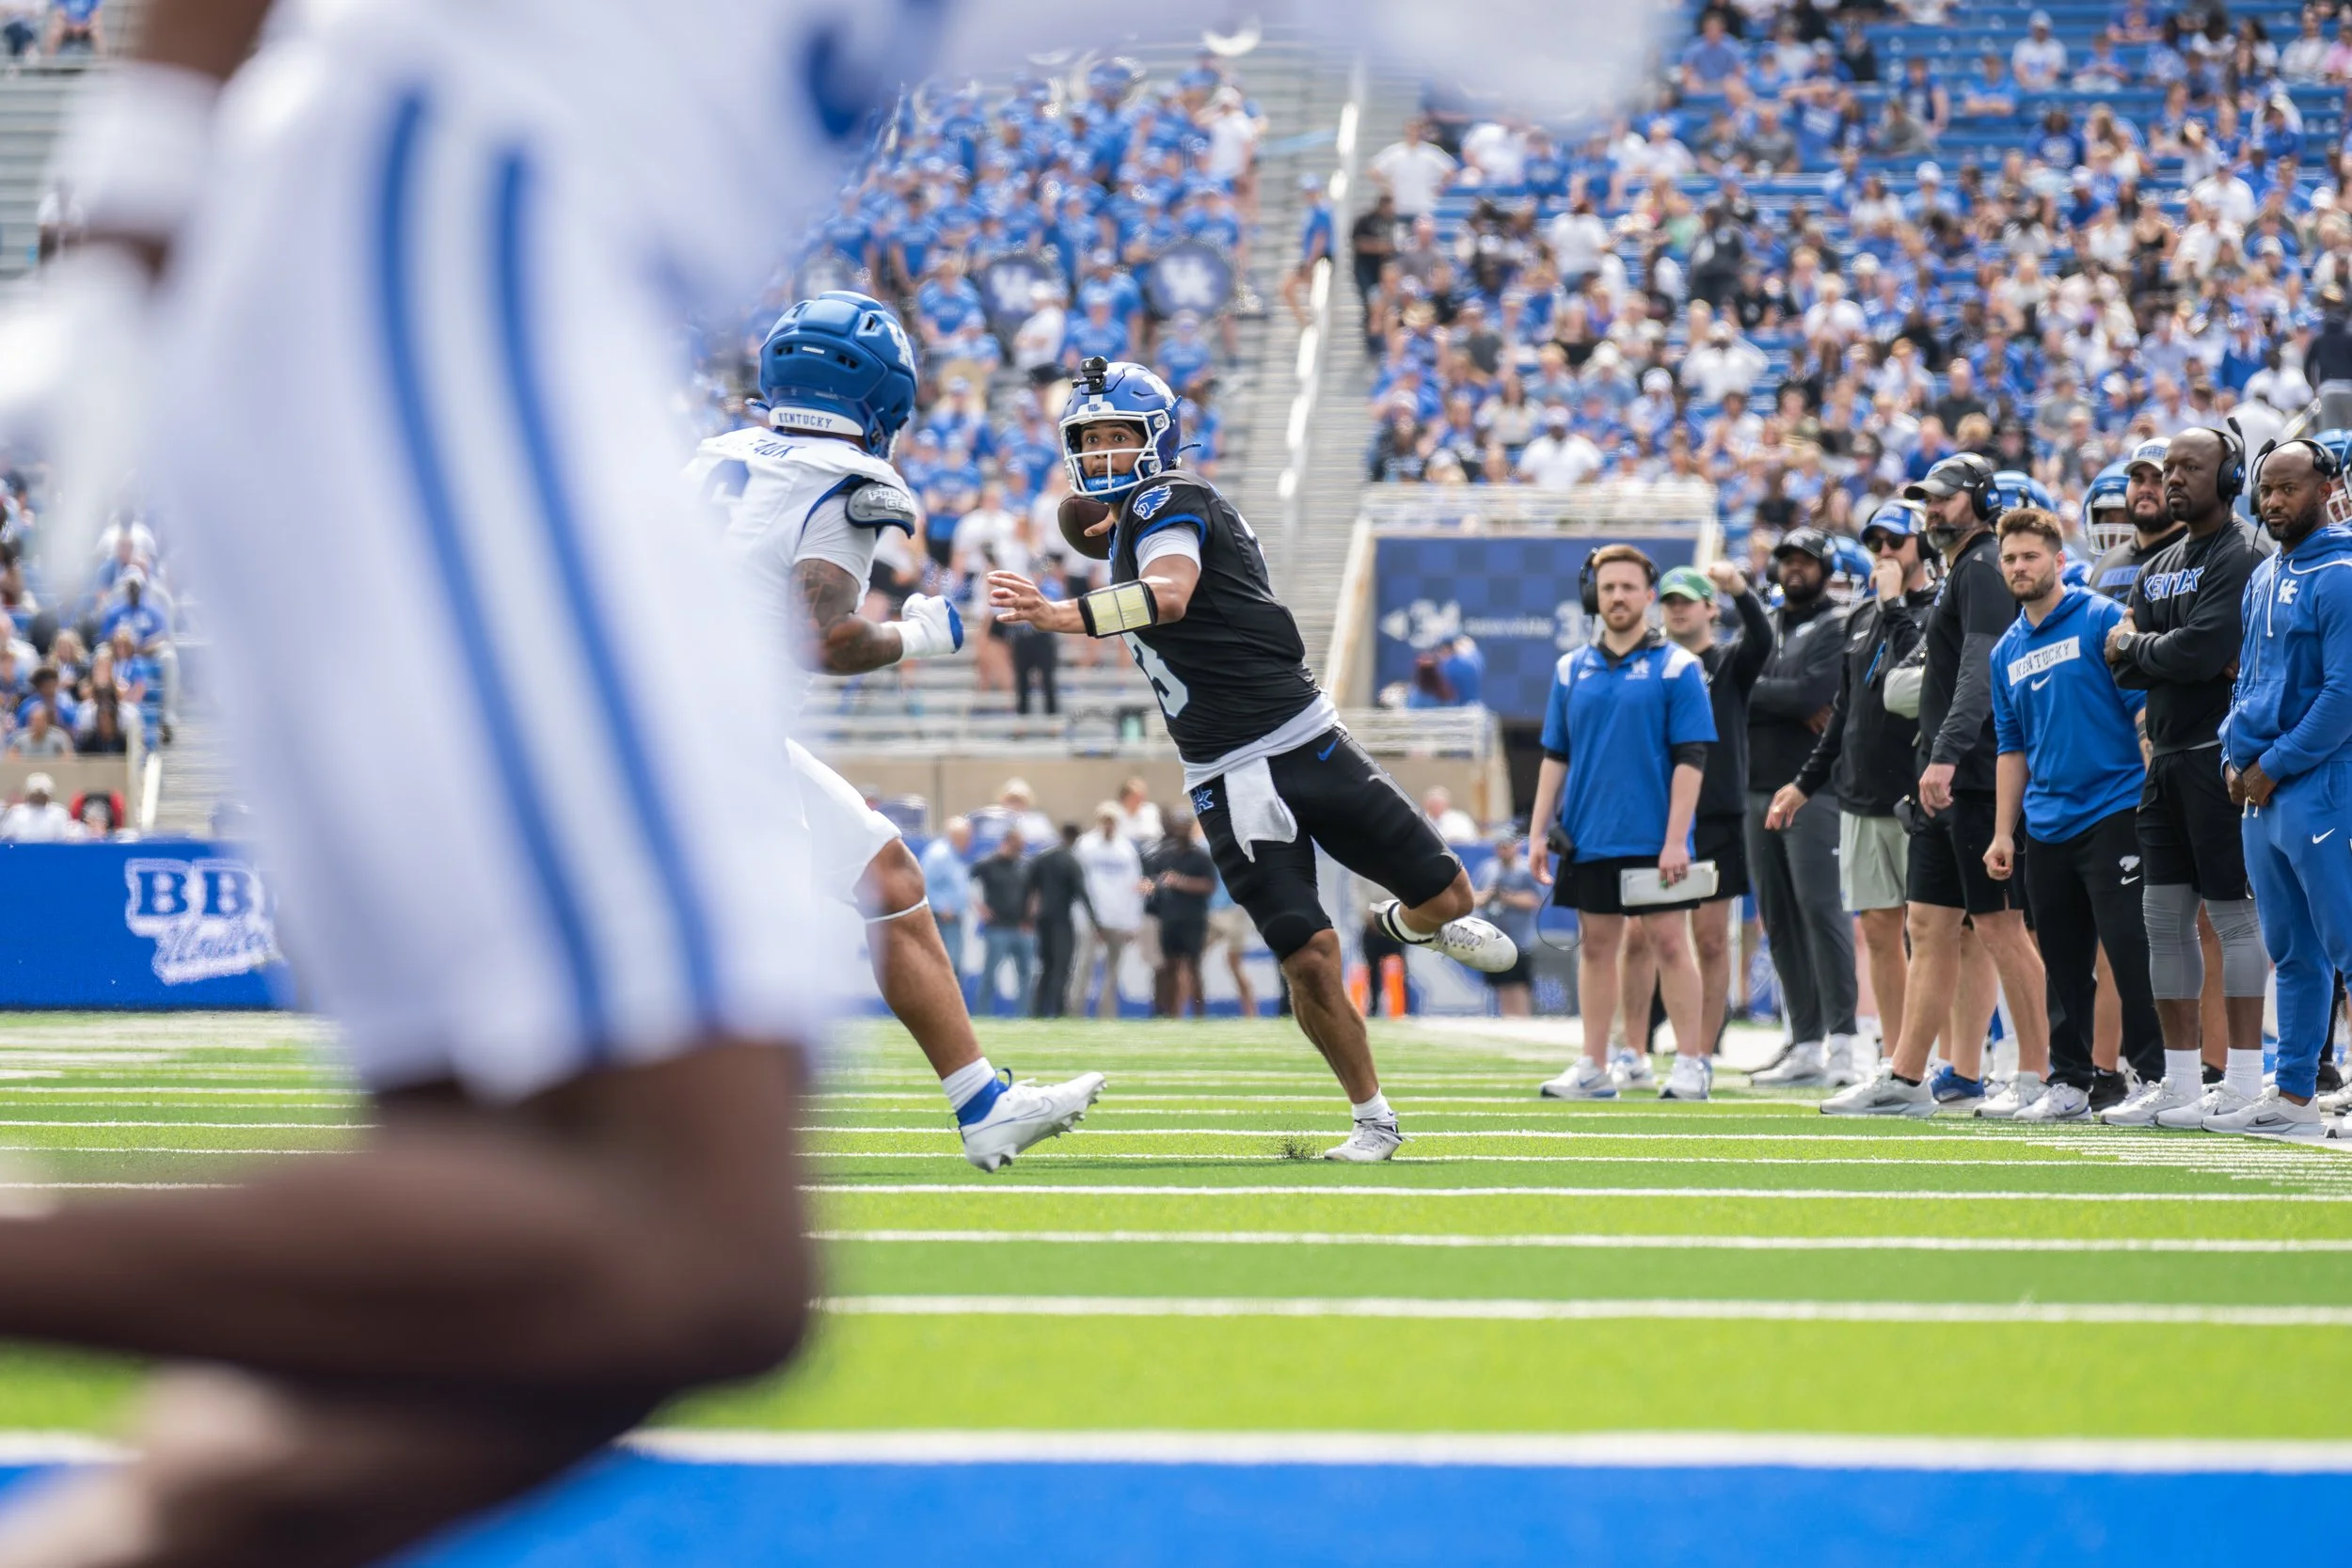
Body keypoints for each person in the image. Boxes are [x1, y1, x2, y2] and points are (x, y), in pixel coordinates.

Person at [0, 2, 1628, 1560]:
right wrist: (138, 224)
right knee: (695, 1249)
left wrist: (142, 217)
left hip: (463, 287)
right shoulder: (837, 463)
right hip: (445, 254)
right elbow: (814, 620)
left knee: (561, 1286)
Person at [989, 358, 1514, 1161]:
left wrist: (1065, 613)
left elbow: (1168, 593)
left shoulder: (1174, 498)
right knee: (1307, 954)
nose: (1099, 455)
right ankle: (1373, 1118)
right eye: (1088, 441)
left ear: (1155, 437)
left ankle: (1407, 925)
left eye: (1117, 437)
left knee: (1450, 897)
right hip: (1225, 773)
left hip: (1306, 736)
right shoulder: (1133, 518)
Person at [699, 291, 1104, 1164]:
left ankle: (982, 1102)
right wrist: (922, 633)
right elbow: (823, 640)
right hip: (700, 729)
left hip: (667, 708)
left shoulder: (716, 452)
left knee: (889, 877)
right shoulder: (850, 479)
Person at [1827, 453, 2054, 1117]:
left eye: (1946, 497)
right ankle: (1908, 1076)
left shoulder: (1983, 566)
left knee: (2000, 926)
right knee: (1927, 923)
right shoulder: (1965, 568)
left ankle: (2045, 1074)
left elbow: (1982, 672)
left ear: (1980, 500)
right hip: (1950, 774)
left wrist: (1947, 753)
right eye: (1928, 498)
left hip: (1977, 775)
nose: (1933, 509)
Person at [2103, 425, 2271, 1129]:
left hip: (2217, 754)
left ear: (2230, 477)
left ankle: (2240, 1077)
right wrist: (2151, 649)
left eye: (2189, 467)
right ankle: (2176, 1082)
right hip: (2165, 757)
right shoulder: (2158, 562)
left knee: (2233, 916)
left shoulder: (2245, 552)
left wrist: (2141, 645)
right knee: (2161, 921)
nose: (2172, 478)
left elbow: (2205, 649)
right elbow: (2124, 662)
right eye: (2166, 468)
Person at [1982, 508, 2165, 1121]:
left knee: (2129, 948)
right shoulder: (2006, 650)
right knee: (2061, 962)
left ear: (2058, 560)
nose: (2018, 567)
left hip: (2115, 808)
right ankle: (2068, 1081)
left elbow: (2144, 711)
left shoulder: (2100, 618)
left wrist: (2153, 796)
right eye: (2009, 558)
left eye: (2030, 556)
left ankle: (2154, 1074)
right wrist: (2004, 832)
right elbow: (2011, 747)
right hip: (2046, 823)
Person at [1527, 545, 1714, 1101]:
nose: (1617, 597)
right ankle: (1593, 1064)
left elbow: (1692, 757)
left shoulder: (1679, 667)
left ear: (1648, 597)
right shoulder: (1569, 668)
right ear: (1595, 596)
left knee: (1670, 944)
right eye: (1608, 587)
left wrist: (1677, 839)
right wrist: (1538, 831)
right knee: (1596, 948)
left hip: (1656, 839)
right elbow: (1554, 756)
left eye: (1628, 587)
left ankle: (1690, 1063)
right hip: (1588, 837)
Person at [1772, 501, 1937, 1101]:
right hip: (1862, 794)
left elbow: (1923, 675)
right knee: (1879, 933)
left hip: (1920, 791)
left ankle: (1947, 1057)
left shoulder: (1936, 606)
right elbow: (1846, 708)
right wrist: (1806, 782)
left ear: (1923, 543)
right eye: (1875, 544)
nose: (1885, 553)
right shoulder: (1862, 614)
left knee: (1940, 932)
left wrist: (1894, 602)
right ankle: (1895, 1063)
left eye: (1895, 541)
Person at [2216, 439, 2352, 1140]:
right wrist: (2232, 757)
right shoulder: (2263, 575)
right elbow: (2248, 681)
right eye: (2266, 489)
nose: (2273, 502)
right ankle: (2296, 1095)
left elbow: (2343, 696)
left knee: (2347, 943)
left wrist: (2274, 763)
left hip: (2320, 785)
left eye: (2289, 488)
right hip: (2259, 793)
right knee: (2293, 951)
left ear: (2327, 487)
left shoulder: (2343, 571)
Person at [1746, 529, 1863, 1088]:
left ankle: (1843, 1040)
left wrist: (1768, 691)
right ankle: (1806, 1040)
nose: (1795, 569)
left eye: (1806, 561)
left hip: (1813, 788)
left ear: (1826, 568)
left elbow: (1810, 694)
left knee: (1822, 910)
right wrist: (1778, 693)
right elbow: (1735, 685)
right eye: (1787, 559)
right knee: (1780, 920)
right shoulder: (1765, 625)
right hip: (1756, 787)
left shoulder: (1836, 624)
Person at [1652, 560, 1770, 1090]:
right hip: (1661, 813)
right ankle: (1642, 1042)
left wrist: (1741, 589)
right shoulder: (1655, 665)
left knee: (1712, 938)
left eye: (1687, 600)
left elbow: (1762, 639)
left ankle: (1700, 1046)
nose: (1677, 610)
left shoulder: (1726, 662)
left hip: (1718, 813)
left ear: (1708, 609)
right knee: (1654, 936)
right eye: (1670, 601)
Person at [1071, 802, 1147, 1018]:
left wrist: (1133, 921)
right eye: (1105, 820)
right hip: (1091, 917)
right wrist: (1081, 916)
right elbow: (1079, 885)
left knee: (1112, 972)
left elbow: (1135, 886)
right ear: (1098, 821)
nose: (1108, 825)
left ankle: (1106, 1016)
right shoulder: (1085, 846)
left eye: (1112, 821)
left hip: (1119, 918)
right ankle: (1075, 1014)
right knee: (1083, 967)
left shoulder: (1126, 849)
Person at [2085, 439, 2183, 601]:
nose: (2145, 488)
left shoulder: (2198, 558)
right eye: (2137, 479)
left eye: (2158, 479)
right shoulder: (2106, 564)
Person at [1148, 812, 1216, 1016]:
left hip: (1193, 919)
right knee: (1169, 966)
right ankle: (1168, 1014)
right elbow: (1154, 882)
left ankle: (1198, 1014)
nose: (1181, 830)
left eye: (1185, 826)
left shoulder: (1201, 857)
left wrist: (1181, 882)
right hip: (1169, 918)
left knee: (1193, 966)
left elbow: (1208, 885)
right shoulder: (1165, 856)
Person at [1027, 822, 1094, 1018]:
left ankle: (1038, 1009)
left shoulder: (1042, 858)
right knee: (1062, 966)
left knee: (1045, 966)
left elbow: (1028, 886)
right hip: (1062, 920)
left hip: (1043, 919)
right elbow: (1082, 893)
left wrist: (1026, 916)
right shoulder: (1071, 861)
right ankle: (1058, 1009)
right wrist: (1095, 921)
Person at [971, 828, 1038, 1018]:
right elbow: (967, 883)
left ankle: (1022, 1015)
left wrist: (1030, 918)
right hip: (997, 928)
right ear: (1007, 842)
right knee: (989, 975)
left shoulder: (1025, 866)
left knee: (1026, 974)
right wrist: (980, 908)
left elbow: (1033, 893)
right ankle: (982, 1014)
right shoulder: (987, 864)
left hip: (1021, 928)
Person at [1473, 835, 1542, 1018]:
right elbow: (1475, 898)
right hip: (1494, 937)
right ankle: (1506, 1018)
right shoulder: (1488, 869)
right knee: (1500, 983)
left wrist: (1507, 897)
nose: (1503, 850)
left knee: (1519, 983)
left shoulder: (1525, 869)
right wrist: (1489, 895)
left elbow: (1534, 900)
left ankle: (1521, 1018)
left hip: (1519, 939)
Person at [918, 816, 975, 990]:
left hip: (953, 918)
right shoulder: (939, 855)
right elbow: (922, 883)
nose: (969, 842)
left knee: (953, 964)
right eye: (967, 837)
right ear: (956, 836)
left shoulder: (952, 855)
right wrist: (941, 906)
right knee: (946, 965)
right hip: (942, 918)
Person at [1205, 861, 1259, 1018]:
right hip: (1228, 911)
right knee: (1234, 965)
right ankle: (1251, 1015)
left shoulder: (1203, 846)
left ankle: (1251, 1014)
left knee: (1233, 964)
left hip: (1228, 911)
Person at [0, 771, 76, 841]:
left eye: (41, 794)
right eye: (35, 794)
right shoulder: (17, 813)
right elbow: (6, 840)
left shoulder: (58, 813)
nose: (38, 797)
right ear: (28, 794)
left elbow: (66, 840)